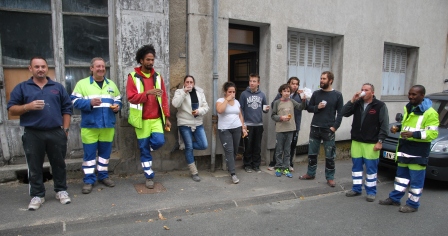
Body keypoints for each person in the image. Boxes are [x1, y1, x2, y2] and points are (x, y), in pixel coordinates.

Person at [7, 56, 72, 210]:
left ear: (47, 68)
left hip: (56, 131)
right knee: (34, 165)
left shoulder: (57, 87)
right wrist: (27, 106)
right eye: (37, 67)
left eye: (43, 66)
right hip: (33, 133)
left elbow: (67, 109)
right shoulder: (22, 87)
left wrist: (66, 129)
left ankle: (61, 190)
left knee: (59, 163)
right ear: (31, 69)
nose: (40, 69)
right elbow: (11, 109)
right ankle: (37, 195)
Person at [379, 85, 439, 213]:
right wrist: (398, 128)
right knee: (401, 178)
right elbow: (408, 126)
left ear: (422, 96)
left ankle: (412, 204)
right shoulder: (409, 107)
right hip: (404, 148)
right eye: (410, 94)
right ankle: (395, 198)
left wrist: (413, 135)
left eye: (414, 94)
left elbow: (432, 134)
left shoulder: (430, 113)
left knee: (416, 181)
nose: (411, 96)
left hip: (418, 152)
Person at [71, 57, 122, 194]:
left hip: (107, 126)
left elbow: (118, 99)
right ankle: (88, 180)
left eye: (103, 67)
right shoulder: (82, 84)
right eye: (98, 66)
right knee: (89, 156)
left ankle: (103, 176)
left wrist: (118, 107)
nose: (101, 69)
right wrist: (88, 103)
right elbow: (74, 101)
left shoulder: (111, 84)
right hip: (90, 126)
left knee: (105, 155)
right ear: (91, 68)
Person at [127, 44, 171, 189]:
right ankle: (149, 176)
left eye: (152, 60)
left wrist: (167, 117)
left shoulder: (158, 77)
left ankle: (149, 147)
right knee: (144, 150)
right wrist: (147, 93)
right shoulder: (133, 76)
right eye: (148, 59)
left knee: (159, 141)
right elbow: (131, 98)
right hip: (141, 120)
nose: (151, 62)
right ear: (141, 60)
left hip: (157, 119)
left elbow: (163, 97)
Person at [341, 83, 389, 202]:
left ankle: (371, 191)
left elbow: (385, 125)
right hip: (357, 141)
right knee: (356, 167)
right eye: (362, 89)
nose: (363, 91)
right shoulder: (357, 103)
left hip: (371, 143)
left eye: (366, 90)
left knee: (371, 169)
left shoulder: (380, 105)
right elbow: (343, 112)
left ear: (372, 93)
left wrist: (380, 141)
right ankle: (356, 189)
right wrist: (352, 100)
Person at [299, 71, 343, 187]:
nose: (321, 81)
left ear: (330, 80)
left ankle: (330, 177)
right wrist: (317, 107)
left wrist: (334, 127)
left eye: (324, 79)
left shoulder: (337, 95)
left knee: (330, 155)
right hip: (315, 127)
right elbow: (309, 108)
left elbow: (340, 113)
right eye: (321, 78)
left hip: (328, 129)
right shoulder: (317, 94)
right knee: (312, 153)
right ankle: (310, 173)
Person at [172, 75, 209, 182]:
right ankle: (194, 172)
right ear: (184, 83)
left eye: (191, 82)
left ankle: (182, 145)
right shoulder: (179, 92)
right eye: (187, 82)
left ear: (194, 83)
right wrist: (184, 92)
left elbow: (206, 107)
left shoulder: (200, 92)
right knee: (189, 147)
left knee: (203, 145)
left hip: (198, 122)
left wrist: (199, 111)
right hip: (184, 123)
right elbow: (175, 104)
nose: (189, 84)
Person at [268, 76, 307, 172]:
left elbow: (302, 107)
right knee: (279, 147)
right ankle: (277, 165)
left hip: (293, 126)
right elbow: (274, 110)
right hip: (281, 126)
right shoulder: (279, 98)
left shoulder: (298, 96)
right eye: (293, 83)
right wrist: (281, 117)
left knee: (289, 147)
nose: (294, 86)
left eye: (296, 84)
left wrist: (304, 98)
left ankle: (287, 165)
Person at [216, 82, 248, 184]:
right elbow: (220, 110)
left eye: (234, 92)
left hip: (237, 128)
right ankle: (233, 174)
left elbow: (240, 115)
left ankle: (230, 166)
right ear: (225, 92)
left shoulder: (237, 102)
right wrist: (227, 100)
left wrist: (243, 127)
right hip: (225, 129)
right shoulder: (220, 101)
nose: (232, 94)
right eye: (230, 92)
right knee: (229, 150)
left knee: (234, 150)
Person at [239, 73, 269, 173]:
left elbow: (265, 109)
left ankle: (256, 165)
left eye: (254, 81)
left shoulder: (262, 95)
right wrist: (242, 124)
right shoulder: (244, 94)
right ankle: (247, 164)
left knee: (257, 146)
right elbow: (240, 110)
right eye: (250, 81)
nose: (252, 83)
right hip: (248, 124)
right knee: (248, 146)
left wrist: (267, 109)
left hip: (259, 124)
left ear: (258, 83)